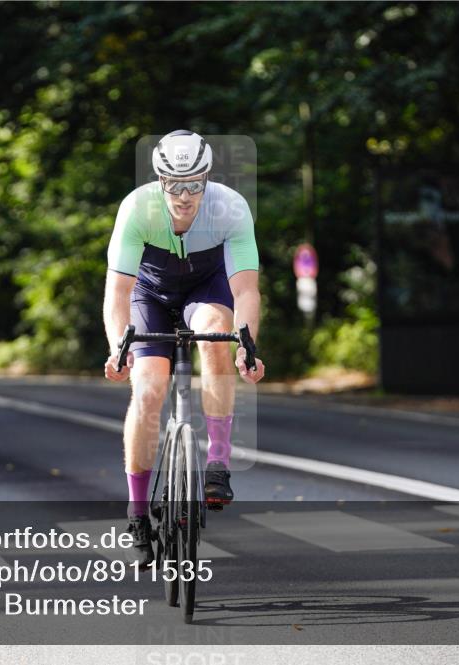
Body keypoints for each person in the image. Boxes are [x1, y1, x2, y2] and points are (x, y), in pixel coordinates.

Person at [102, 130, 265, 566]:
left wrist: (246, 345)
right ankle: (138, 512)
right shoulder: (137, 208)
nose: (185, 195)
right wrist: (119, 347)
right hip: (149, 295)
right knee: (148, 388)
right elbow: (118, 293)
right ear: (160, 180)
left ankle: (217, 463)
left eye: (194, 183)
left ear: (206, 177)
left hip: (206, 290)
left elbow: (245, 290)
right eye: (174, 185)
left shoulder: (230, 207)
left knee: (216, 335)